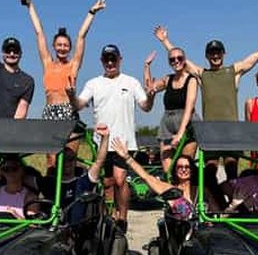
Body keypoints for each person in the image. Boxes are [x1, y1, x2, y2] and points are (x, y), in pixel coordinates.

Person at [153, 16, 258, 181]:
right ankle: (216, 205)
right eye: (212, 53)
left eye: (218, 52)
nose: (215, 56)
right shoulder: (201, 74)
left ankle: (233, 206)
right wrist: (165, 41)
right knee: (210, 173)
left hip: (232, 133)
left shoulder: (234, 71)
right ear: (207, 56)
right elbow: (180, 58)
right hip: (211, 133)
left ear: (223, 53)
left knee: (231, 170)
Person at [68, 44, 155, 232]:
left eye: (113, 59)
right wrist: (71, 95)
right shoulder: (93, 83)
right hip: (102, 142)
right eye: (106, 59)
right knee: (107, 182)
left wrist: (151, 95)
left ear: (119, 60)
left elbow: (146, 106)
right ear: (101, 61)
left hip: (124, 142)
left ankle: (123, 218)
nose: (110, 62)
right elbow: (79, 104)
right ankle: (109, 217)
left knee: (119, 179)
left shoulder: (131, 82)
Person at [20, 0, 106, 166]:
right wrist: (30, 6)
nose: (62, 48)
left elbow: (81, 36)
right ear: (53, 46)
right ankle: (52, 192)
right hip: (50, 112)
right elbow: (39, 33)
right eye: (59, 45)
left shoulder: (73, 66)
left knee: (68, 159)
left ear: (69, 47)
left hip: (68, 112)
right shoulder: (47, 63)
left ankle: (70, 191)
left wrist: (92, 12)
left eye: (66, 45)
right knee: (51, 160)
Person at [111, 137, 220, 219]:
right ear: (175, 170)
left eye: (187, 167)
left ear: (192, 169)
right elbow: (146, 177)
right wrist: (127, 157)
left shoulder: (202, 191)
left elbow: (216, 213)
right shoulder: (171, 190)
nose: (183, 170)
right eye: (180, 167)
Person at [38, 124, 110, 224]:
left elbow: (99, 162)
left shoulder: (83, 181)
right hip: (51, 232)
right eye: (63, 160)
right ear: (57, 162)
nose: (67, 163)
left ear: (75, 161)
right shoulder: (48, 182)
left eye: (70, 159)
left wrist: (105, 138)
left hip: (76, 232)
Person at [143, 47, 199, 174]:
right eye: (172, 59)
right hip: (167, 125)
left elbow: (189, 108)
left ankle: (188, 192)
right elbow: (150, 87)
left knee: (184, 168)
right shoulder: (167, 79)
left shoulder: (192, 80)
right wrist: (146, 67)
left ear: (184, 60)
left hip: (187, 125)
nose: (176, 61)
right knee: (168, 171)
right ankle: (172, 192)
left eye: (179, 58)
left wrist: (180, 133)